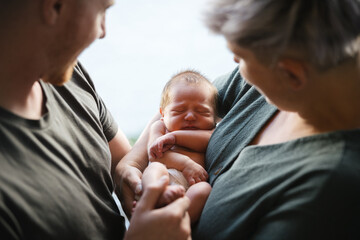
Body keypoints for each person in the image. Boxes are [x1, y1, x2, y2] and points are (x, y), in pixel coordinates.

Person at [115, 0, 360, 239]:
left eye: (240, 57)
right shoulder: (259, 86)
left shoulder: (327, 191)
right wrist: (131, 165)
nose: (234, 64)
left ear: (291, 75)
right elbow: (175, 106)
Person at [0, 1, 191, 239]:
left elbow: (122, 163)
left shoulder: (66, 75)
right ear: (54, 6)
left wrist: (128, 177)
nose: (103, 32)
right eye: (102, 10)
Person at [141, 70, 216, 224]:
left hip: (190, 188)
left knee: (204, 190)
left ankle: (176, 222)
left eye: (202, 111)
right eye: (179, 111)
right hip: (163, 176)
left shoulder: (210, 132)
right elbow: (154, 155)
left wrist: (175, 137)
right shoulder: (159, 127)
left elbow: (208, 141)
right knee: (154, 169)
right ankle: (152, 195)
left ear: (214, 117)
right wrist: (186, 164)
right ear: (163, 113)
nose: (190, 116)